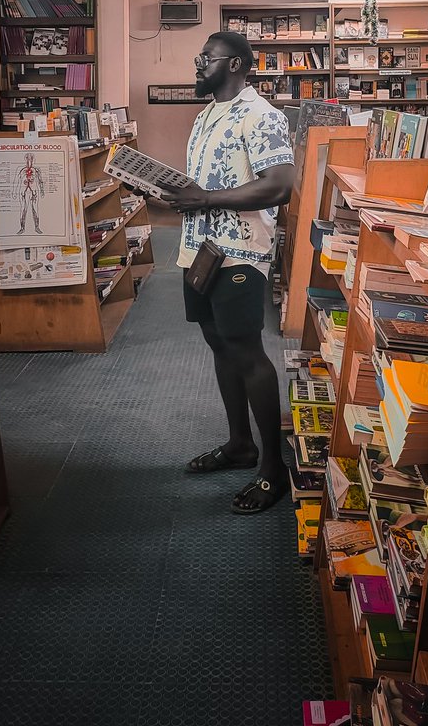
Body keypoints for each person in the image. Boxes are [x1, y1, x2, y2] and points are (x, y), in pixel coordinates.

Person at [159, 31, 295, 515]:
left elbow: (278, 186)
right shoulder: (206, 114)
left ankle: (273, 470)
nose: (198, 65)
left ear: (236, 64)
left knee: (248, 352)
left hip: (239, 254)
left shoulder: (263, 116)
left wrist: (207, 199)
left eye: (206, 59)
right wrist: (175, 195)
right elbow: (206, 184)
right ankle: (240, 444)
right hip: (199, 250)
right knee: (218, 342)